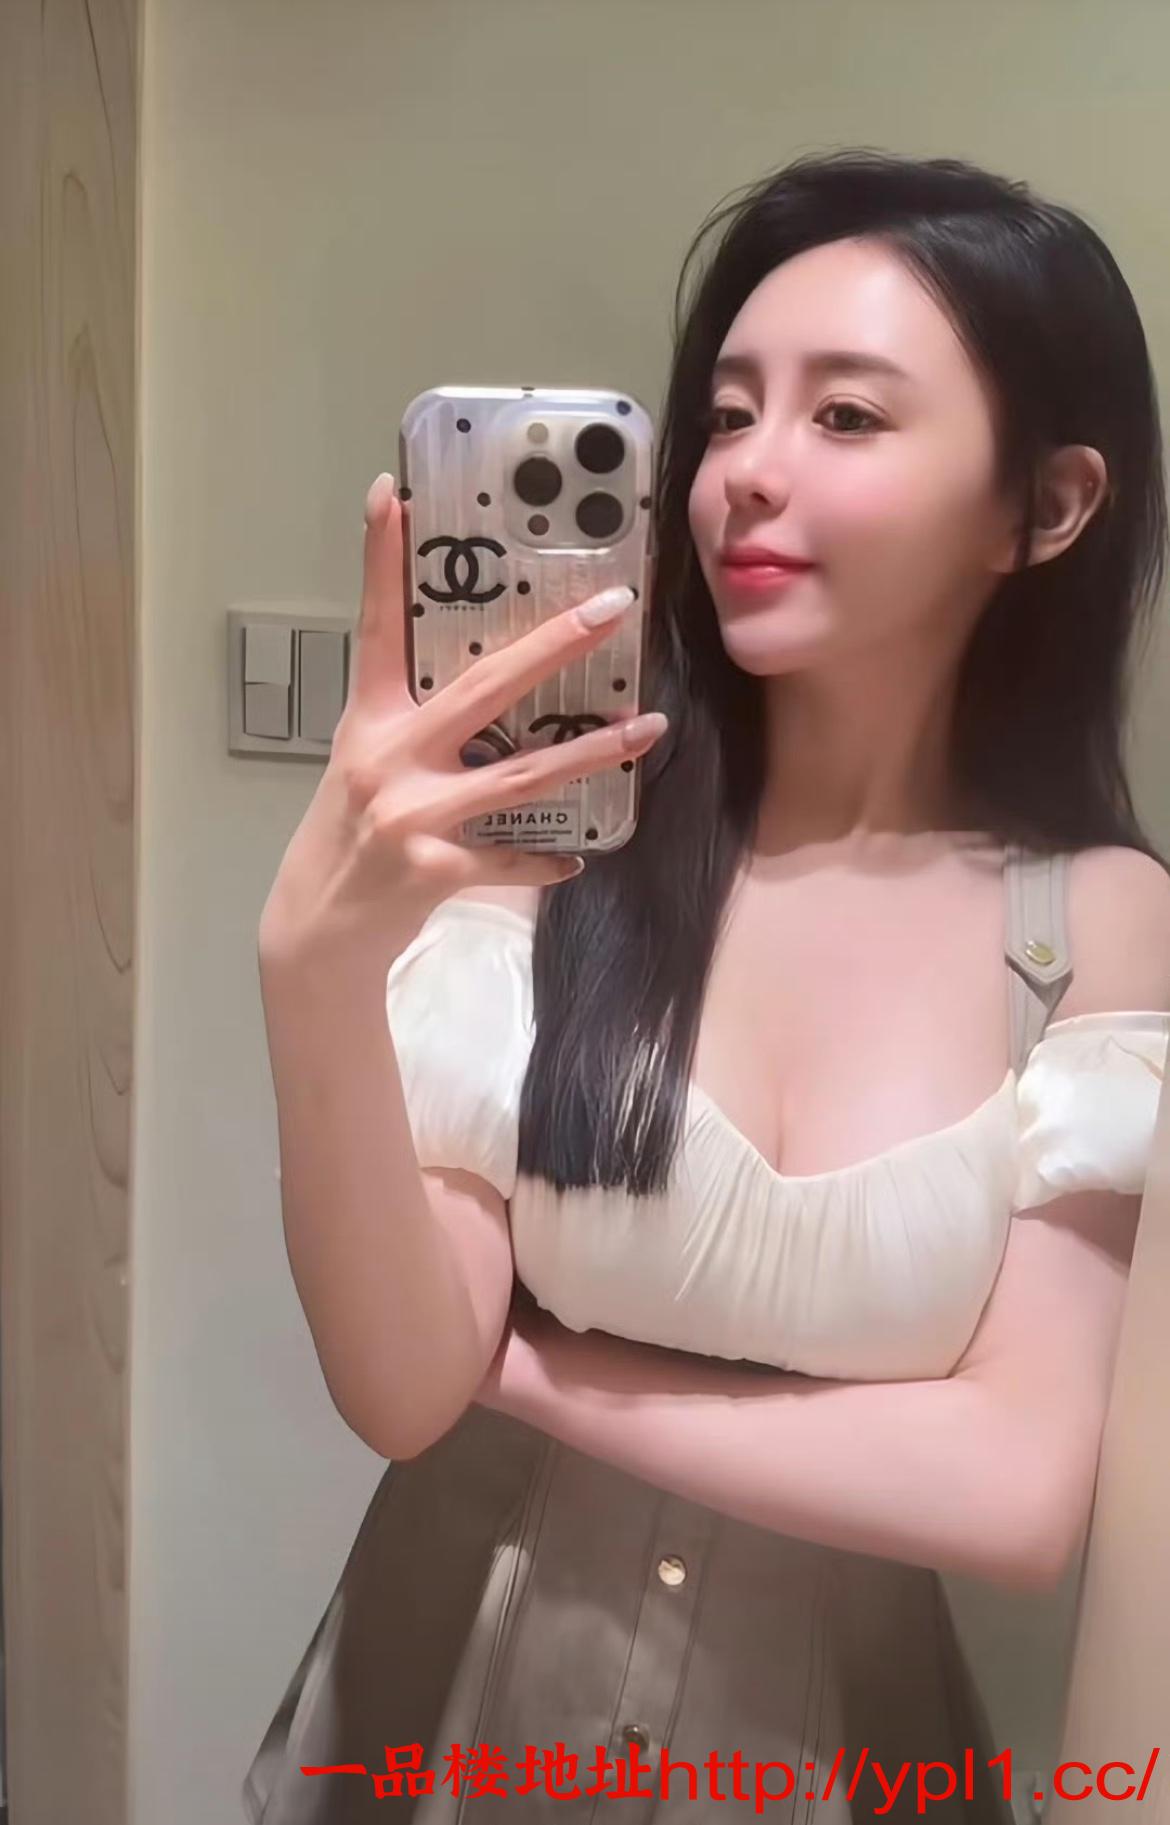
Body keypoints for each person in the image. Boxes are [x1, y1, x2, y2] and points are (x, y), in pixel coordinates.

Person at [242, 149, 1170, 1823]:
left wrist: (532, 1370)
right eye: (727, 413)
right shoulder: (556, 853)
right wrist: (312, 971)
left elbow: (1018, 1492)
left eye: (846, 415)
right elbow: (397, 1378)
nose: (746, 470)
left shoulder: (1093, 921)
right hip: (445, 1744)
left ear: (1041, 506)